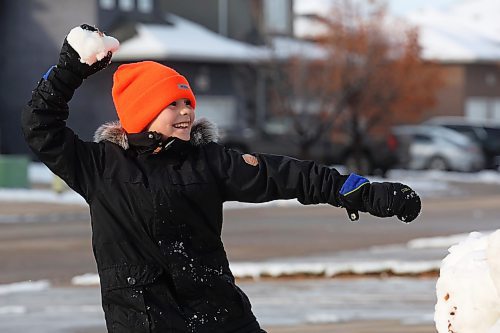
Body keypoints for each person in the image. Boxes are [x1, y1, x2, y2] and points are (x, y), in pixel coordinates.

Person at [22, 25, 421, 333]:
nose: (184, 113)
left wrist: (358, 191)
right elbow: (41, 127)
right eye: (171, 104)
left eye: (187, 103)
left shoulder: (207, 162)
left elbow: (285, 175)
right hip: (143, 322)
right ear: (141, 113)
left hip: (219, 315)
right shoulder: (100, 167)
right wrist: (68, 72)